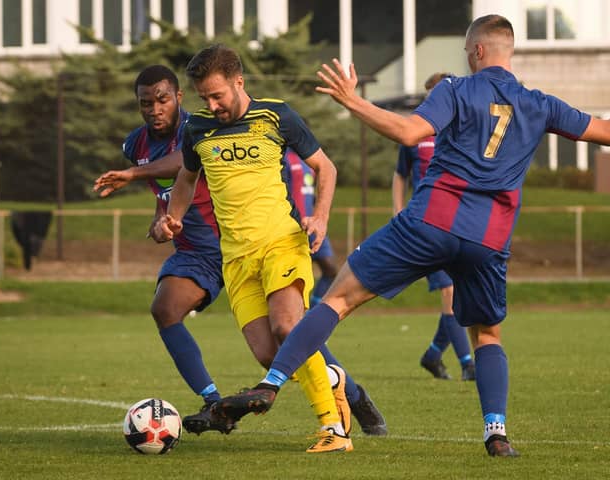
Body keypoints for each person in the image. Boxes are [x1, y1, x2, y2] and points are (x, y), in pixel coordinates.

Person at [213, 14, 610, 457]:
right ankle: (496, 433)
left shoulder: (456, 89)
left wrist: (352, 100)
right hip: (489, 237)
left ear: (477, 50)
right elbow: (605, 132)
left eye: (466, 51)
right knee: (489, 335)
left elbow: (406, 132)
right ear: (508, 50)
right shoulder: (542, 103)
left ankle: (270, 385)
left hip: (432, 221)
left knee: (338, 300)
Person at [153, 44, 386, 452]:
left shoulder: (275, 116)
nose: (211, 104)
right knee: (268, 355)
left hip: (282, 241)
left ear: (239, 82)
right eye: (203, 97)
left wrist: (321, 217)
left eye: (217, 95)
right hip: (236, 258)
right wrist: (173, 215)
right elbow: (187, 179)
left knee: (286, 328)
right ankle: (334, 380)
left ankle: (334, 428)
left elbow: (324, 166)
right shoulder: (198, 130)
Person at [92, 65, 234, 436]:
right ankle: (213, 402)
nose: (154, 109)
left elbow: (183, 162)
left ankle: (348, 392)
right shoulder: (135, 145)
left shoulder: (199, 127)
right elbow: (164, 195)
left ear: (178, 98)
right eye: (145, 103)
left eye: (162, 100)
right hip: (194, 251)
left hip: (236, 242)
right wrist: (161, 224)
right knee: (165, 308)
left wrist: (132, 175)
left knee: (283, 332)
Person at [285, 148, 387, 434]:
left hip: (299, 232)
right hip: (261, 241)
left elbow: (324, 174)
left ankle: (350, 401)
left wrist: (316, 217)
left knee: (294, 329)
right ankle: (353, 397)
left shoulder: (295, 158)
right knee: (288, 337)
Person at [392, 72, 475, 382]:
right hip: (425, 222)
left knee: (459, 295)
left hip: (459, 223)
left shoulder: (460, 131)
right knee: (449, 291)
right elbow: (400, 175)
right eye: (430, 98)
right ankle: (468, 363)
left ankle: (433, 354)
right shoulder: (416, 133)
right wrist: (398, 211)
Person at [284, 148, 338, 308]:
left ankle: (313, 311)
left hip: (313, 224)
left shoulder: (307, 159)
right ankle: (296, 314)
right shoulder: (284, 157)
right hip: (294, 226)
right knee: (295, 277)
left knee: (330, 270)